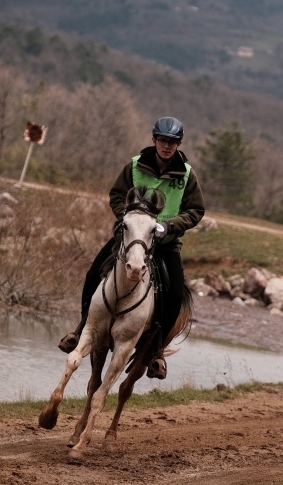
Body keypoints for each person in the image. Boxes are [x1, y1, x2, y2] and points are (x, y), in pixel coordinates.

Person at [58, 117, 205, 379]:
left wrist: (169, 226)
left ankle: (157, 352)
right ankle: (81, 329)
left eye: (172, 142)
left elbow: (196, 210)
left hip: (166, 244)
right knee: (93, 274)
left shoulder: (187, 175)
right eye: (162, 141)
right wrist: (127, 218)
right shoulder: (135, 166)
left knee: (173, 295)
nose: (167, 146)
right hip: (131, 240)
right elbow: (116, 195)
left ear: (179, 144)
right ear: (154, 141)